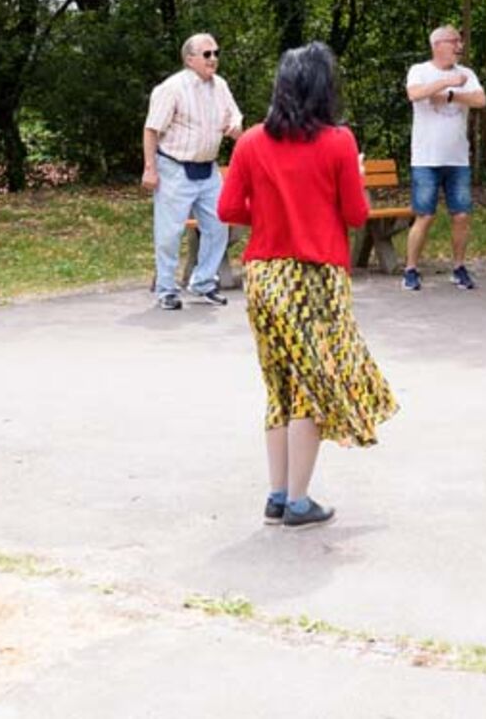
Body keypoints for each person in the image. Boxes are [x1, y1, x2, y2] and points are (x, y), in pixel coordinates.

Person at [218, 42, 397, 530]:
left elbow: (229, 211)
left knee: (279, 387)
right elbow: (356, 215)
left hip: (263, 276)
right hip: (315, 279)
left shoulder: (251, 141)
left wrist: (272, 214)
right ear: (323, 87)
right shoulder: (338, 142)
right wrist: (352, 178)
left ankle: (277, 495)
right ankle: (297, 501)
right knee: (314, 389)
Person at [142, 33, 243, 310]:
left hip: (208, 170)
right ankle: (166, 289)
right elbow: (151, 129)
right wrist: (150, 168)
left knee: (218, 226)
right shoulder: (172, 88)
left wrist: (234, 126)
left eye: (216, 53)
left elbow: (234, 116)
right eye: (207, 54)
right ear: (190, 59)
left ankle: (203, 282)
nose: (214, 59)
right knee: (169, 232)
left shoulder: (220, 86)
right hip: (174, 167)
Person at [402, 26, 486, 291]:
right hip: (426, 159)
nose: (459, 45)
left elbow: (480, 100)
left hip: (458, 159)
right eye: (454, 41)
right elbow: (414, 94)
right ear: (437, 44)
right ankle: (411, 270)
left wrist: (450, 94)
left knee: (461, 215)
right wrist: (445, 82)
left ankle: (459, 267)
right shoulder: (419, 70)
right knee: (424, 216)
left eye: (460, 41)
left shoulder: (467, 74)